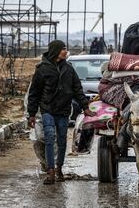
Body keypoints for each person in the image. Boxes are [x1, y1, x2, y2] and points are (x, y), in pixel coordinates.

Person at [27, 40, 95, 185]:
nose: (66, 51)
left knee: (62, 140)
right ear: (56, 51)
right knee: (50, 138)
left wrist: (85, 107)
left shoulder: (69, 69)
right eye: (63, 49)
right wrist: (31, 114)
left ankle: (59, 168)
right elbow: (34, 93)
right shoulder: (42, 69)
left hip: (63, 111)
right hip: (48, 110)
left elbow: (77, 89)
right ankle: (50, 172)